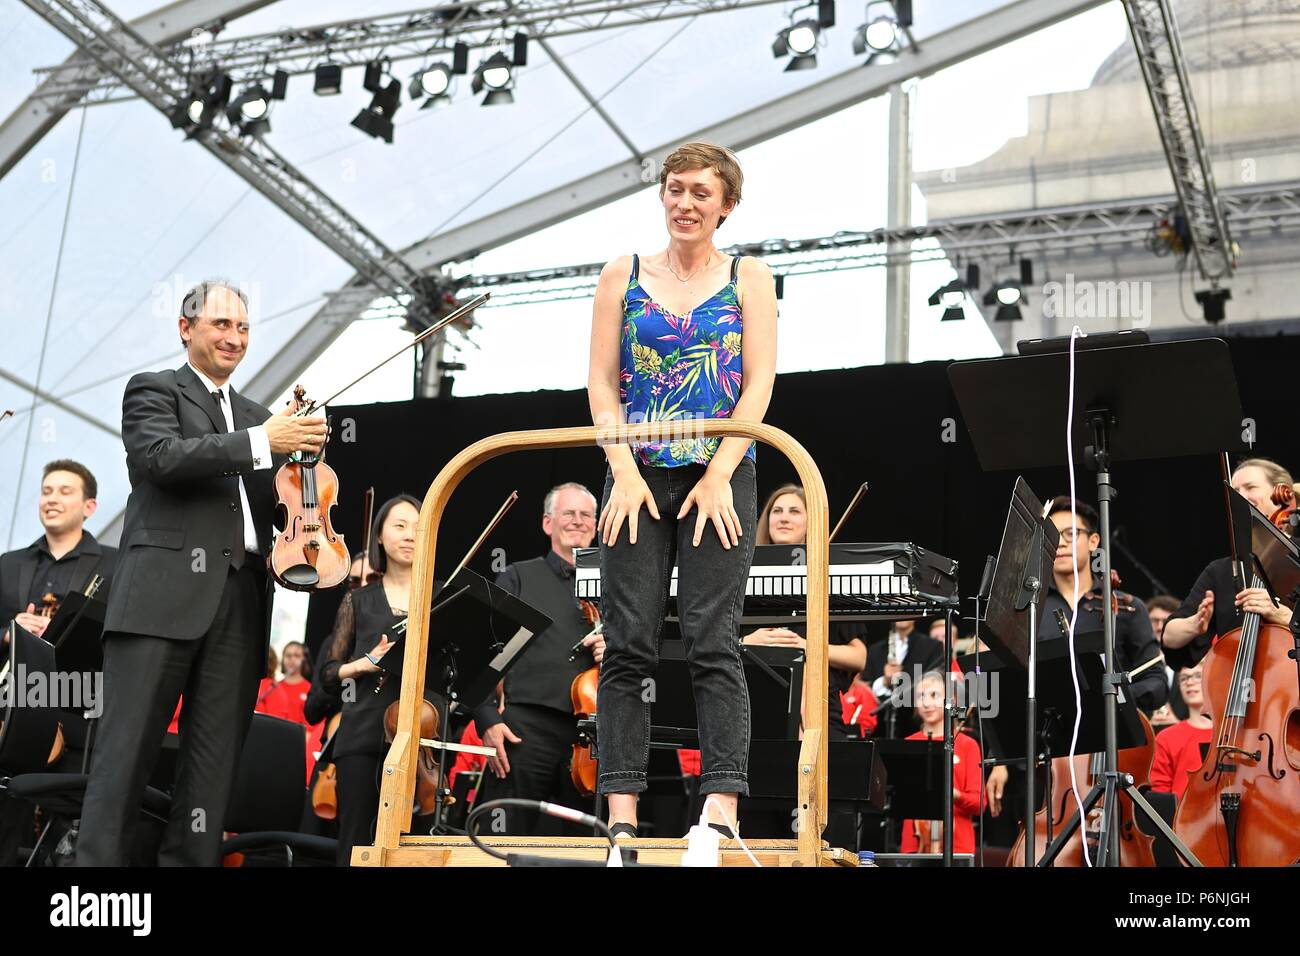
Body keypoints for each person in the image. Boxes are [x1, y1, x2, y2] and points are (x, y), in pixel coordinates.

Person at [76, 279, 326, 866]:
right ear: (186, 329)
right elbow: (159, 459)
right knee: (125, 756)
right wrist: (265, 439)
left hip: (241, 600)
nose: (234, 337)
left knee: (212, 771)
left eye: (242, 327)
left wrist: (306, 455)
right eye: (221, 324)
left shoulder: (259, 418)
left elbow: (288, 506)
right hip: (159, 599)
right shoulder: (154, 390)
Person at [588, 141, 777, 840]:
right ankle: (622, 815)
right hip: (635, 470)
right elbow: (603, 382)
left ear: (726, 204)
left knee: (711, 641)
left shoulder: (749, 276)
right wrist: (626, 473)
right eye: (675, 190)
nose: (685, 203)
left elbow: (758, 381)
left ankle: (721, 806)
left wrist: (722, 473)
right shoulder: (622, 274)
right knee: (628, 643)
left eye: (701, 192)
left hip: (719, 471)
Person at [985, 496, 1167, 827]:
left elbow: (1155, 678)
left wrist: (1116, 703)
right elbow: (1004, 686)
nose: (1062, 545)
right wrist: (1000, 761)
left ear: (1093, 541)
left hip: (1115, 754)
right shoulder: (1027, 613)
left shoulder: (1126, 607)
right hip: (1046, 761)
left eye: (1071, 534)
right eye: (1053, 537)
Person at [471, 483, 605, 835]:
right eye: (568, 513)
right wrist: (486, 717)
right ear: (548, 524)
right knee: (504, 842)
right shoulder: (518, 576)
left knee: (579, 852)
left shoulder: (615, 587)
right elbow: (482, 648)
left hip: (590, 739)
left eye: (586, 515)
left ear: (596, 525)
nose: (578, 521)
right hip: (523, 730)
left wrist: (616, 649)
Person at [318, 494, 427, 865]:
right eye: (400, 526)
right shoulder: (358, 601)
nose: (410, 534)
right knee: (355, 842)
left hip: (418, 739)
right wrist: (362, 664)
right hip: (363, 732)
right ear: (379, 536)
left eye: (417, 526)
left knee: (408, 849)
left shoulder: (438, 596)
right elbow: (329, 674)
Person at [740, 484, 867, 738]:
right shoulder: (742, 575)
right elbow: (711, 643)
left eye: (795, 511)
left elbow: (859, 657)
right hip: (753, 710)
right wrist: (745, 643)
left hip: (819, 714)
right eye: (777, 511)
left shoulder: (828, 579)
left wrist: (806, 646)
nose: (784, 517)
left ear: (812, 522)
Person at [1162, 458, 1296, 671]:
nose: (1239, 496)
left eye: (1250, 487)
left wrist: (1283, 616)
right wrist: (1194, 624)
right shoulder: (1222, 570)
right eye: (1235, 490)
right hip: (1239, 694)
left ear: (1283, 494)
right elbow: (1170, 636)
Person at [0, 460, 117, 636]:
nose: (52, 499)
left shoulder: (115, 563)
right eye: (46, 492)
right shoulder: (8, 563)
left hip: (76, 664)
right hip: (20, 665)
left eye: (65, 492)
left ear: (89, 507)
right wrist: (8, 634)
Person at [899, 671, 983, 859]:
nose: (927, 703)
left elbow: (979, 804)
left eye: (934, 695)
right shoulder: (908, 743)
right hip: (915, 844)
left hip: (957, 846)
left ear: (951, 700)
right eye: (921, 696)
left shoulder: (967, 744)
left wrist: (955, 795)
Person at [863, 619, 944, 739]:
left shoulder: (932, 647)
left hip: (914, 727)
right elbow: (865, 688)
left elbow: (935, 683)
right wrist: (884, 681)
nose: (902, 616)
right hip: (879, 729)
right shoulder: (875, 650)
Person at [1149, 663, 1213, 800]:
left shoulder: (1229, 733)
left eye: (1197, 676)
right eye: (1184, 678)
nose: (1190, 682)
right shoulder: (1166, 738)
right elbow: (1160, 790)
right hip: (1179, 818)